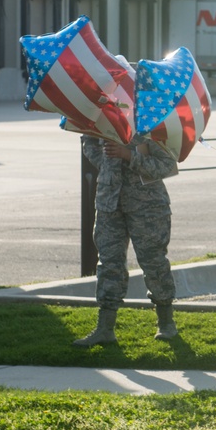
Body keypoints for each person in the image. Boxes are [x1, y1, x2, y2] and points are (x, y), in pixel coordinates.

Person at [73, 134, 179, 347]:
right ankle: (105, 328)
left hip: (147, 204)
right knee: (108, 264)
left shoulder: (151, 117)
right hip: (110, 202)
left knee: (154, 262)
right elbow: (88, 139)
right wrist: (105, 162)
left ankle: (166, 323)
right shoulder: (105, 112)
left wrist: (128, 155)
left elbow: (167, 165)